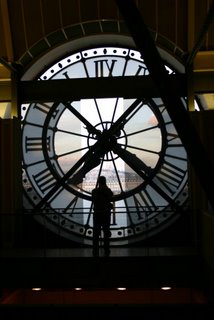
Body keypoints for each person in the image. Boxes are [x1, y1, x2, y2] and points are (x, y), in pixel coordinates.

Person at [92, 176, 113, 256]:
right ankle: (106, 249)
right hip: (106, 214)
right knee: (106, 232)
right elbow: (110, 196)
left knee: (96, 233)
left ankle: (95, 249)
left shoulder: (94, 191)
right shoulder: (108, 191)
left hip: (97, 213)